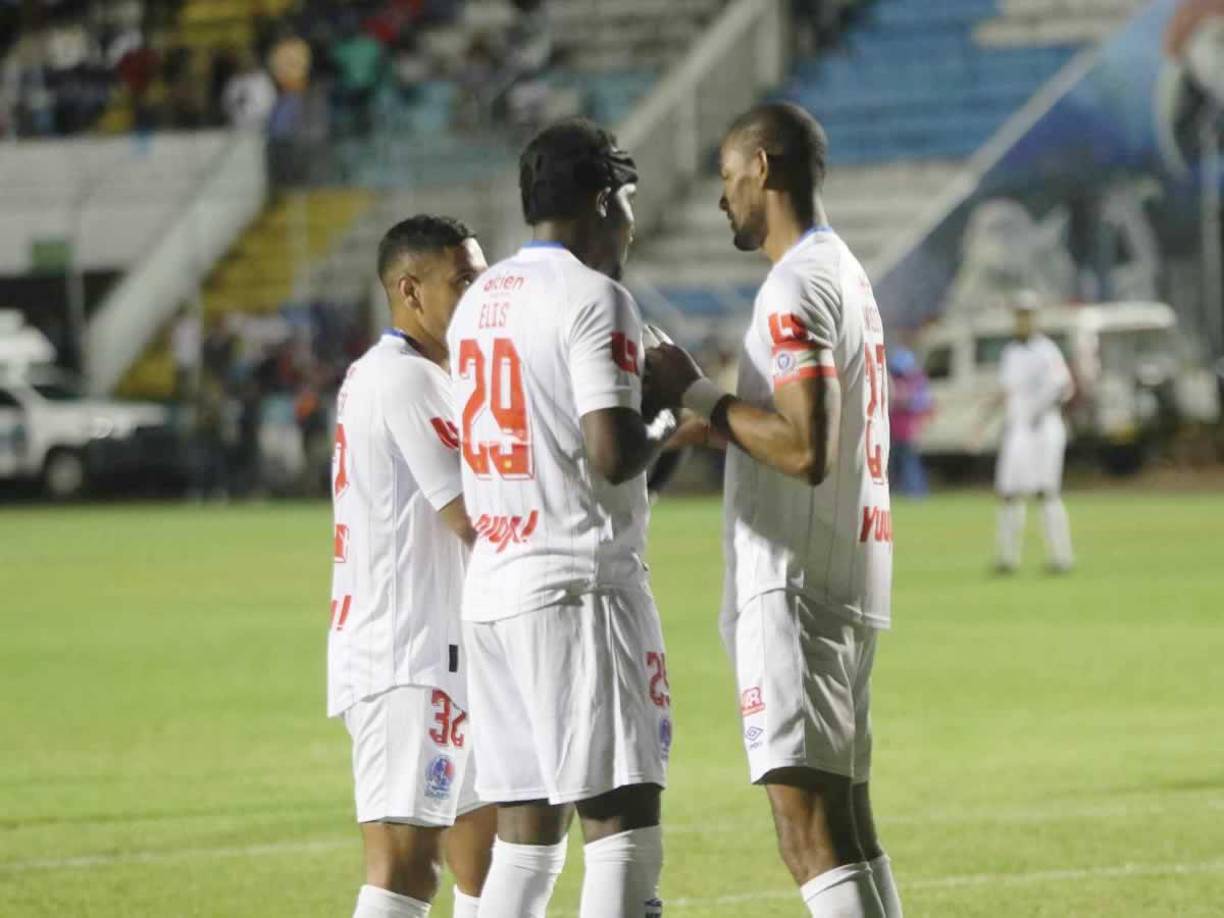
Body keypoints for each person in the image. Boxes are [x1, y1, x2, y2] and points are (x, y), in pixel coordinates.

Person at [649, 102, 902, 917]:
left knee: (808, 835)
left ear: (762, 167)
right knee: (848, 826)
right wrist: (714, 424)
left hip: (794, 587)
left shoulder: (794, 285)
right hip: (841, 572)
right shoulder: (842, 271)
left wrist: (697, 391)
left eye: (728, 177)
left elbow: (802, 448)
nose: (722, 197)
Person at [446, 119, 674, 918]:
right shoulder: (594, 296)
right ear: (605, 198)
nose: (632, 224)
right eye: (629, 202)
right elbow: (612, 453)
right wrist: (672, 415)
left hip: (495, 588)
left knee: (526, 840)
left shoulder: (477, 303)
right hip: (578, 588)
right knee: (621, 827)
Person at [329, 215, 496, 918]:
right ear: (409, 290)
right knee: (405, 866)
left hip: (450, 651)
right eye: (463, 280)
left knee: (491, 853)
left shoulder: (420, 374)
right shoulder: (405, 378)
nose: (480, 291)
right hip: (408, 657)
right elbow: (473, 516)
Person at [988, 292, 1074, 574]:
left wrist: (1039, 412)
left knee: (1046, 491)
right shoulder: (1011, 352)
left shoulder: (1046, 351)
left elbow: (1063, 387)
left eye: (1027, 314)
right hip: (1019, 428)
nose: (1023, 320)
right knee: (1009, 491)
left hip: (1043, 427)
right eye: (1019, 314)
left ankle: (1061, 557)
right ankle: (1008, 557)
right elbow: (1007, 391)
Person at [887, 346, 931, 498]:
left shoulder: (916, 381)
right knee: (895, 463)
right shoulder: (893, 380)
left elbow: (921, 403)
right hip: (894, 430)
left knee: (910, 462)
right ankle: (897, 490)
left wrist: (904, 401)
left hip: (909, 431)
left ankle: (915, 491)